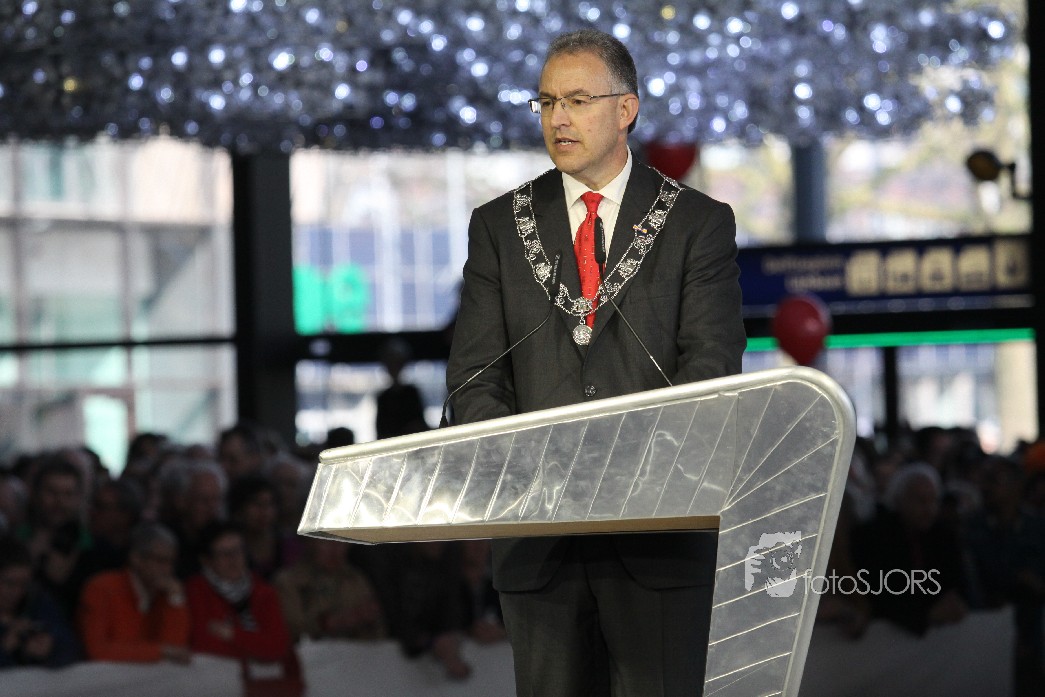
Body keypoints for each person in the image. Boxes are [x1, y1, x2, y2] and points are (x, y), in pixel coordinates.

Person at [445, 28, 745, 697]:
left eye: (578, 100)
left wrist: (619, 474)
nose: (558, 117)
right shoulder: (499, 227)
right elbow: (474, 378)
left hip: (658, 535)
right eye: (547, 101)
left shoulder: (697, 223)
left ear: (625, 109)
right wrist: (534, 475)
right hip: (538, 540)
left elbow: (711, 370)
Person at [77, 522, 191, 663]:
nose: (167, 569)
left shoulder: (166, 593)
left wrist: (176, 600)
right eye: (160, 561)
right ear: (136, 558)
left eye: (171, 562)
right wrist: (160, 651)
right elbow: (97, 650)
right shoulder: (101, 588)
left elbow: (175, 650)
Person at [0, 536, 80, 669]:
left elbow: (69, 646)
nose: (17, 592)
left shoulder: (37, 602)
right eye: (9, 583)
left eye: (24, 584)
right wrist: (5, 650)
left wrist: (51, 648)